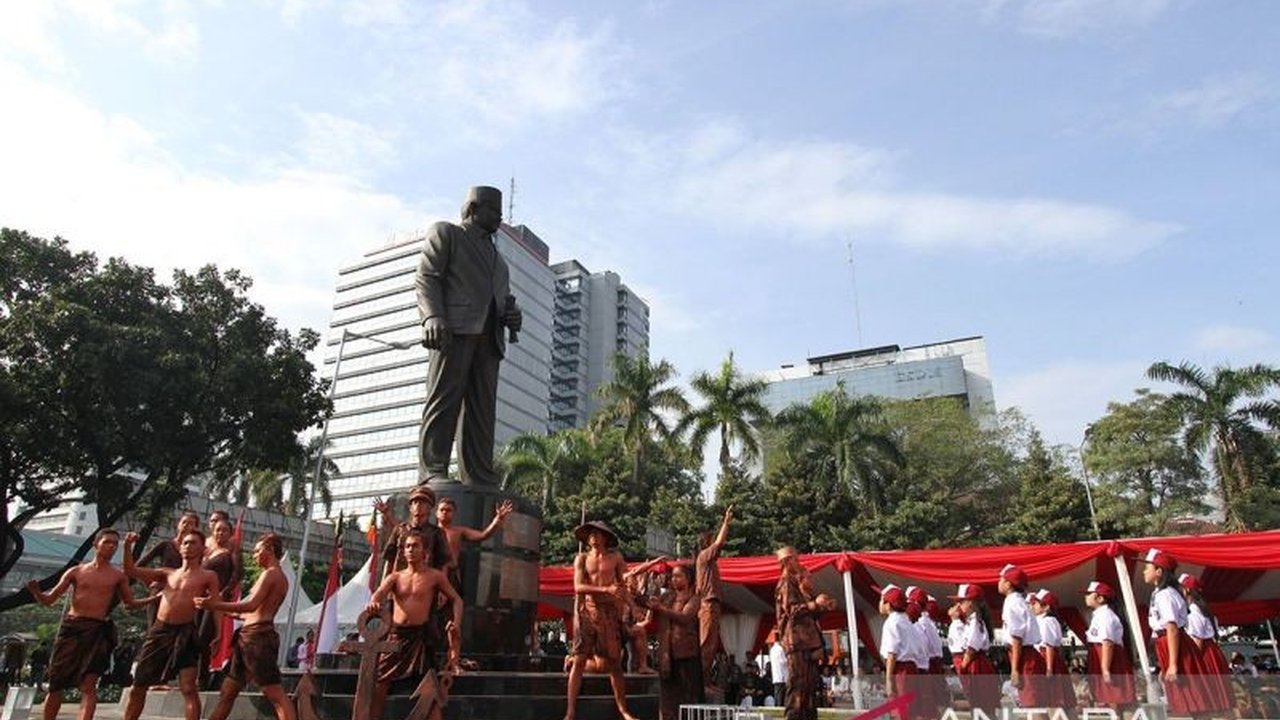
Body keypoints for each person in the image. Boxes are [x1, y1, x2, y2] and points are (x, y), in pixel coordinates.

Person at [416, 184, 523, 487]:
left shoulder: (499, 262)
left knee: (481, 412)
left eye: (501, 214)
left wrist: (512, 317)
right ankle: (432, 470)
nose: (500, 219)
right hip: (453, 330)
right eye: (494, 211)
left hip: (490, 340)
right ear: (474, 208)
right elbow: (427, 277)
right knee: (444, 400)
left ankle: (478, 475)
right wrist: (432, 316)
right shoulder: (447, 233)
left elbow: (501, 301)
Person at [26, 529, 149, 720]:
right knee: (57, 683)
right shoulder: (76, 571)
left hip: (97, 631)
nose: (111, 546)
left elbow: (130, 604)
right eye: (107, 542)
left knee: (88, 685)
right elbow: (50, 600)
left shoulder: (118, 576)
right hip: (72, 629)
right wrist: (37, 593)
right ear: (95, 544)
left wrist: (155, 598)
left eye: (115, 544)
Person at [194, 533, 296, 720]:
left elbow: (251, 606)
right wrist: (226, 611)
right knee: (228, 692)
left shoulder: (271, 574)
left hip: (258, 639)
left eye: (257, 551)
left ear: (270, 550)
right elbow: (250, 612)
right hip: (249, 638)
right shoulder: (276, 576)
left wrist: (214, 604)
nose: (254, 555)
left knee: (275, 693)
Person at [123, 528, 221, 720]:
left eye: (193, 543)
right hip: (160, 630)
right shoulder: (167, 573)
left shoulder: (208, 576)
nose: (188, 546)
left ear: (203, 549)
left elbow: (216, 605)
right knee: (139, 685)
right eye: (185, 543)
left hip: (186, 632)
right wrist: (128, 546)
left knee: (188, 688)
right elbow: (131, 570)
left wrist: (217, 633)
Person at [366, 530, 463, 720]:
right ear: (403, 551)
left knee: (431, 688)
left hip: (421, 638)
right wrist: (374, 603)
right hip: (395, 637)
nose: (411, 550)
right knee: (380, 684)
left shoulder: (435, 576)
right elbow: (378, 594)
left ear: (425, 551)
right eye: (407, 546)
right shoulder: (395, 577)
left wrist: (456, 623)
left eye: (415, 546)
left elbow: (457, 599)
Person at [564, 521, 639, 720]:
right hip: (588, 611)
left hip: (610, 613)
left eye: (597, 534)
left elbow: (624, 585)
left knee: (614, 664)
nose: (593, 538)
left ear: (605, 537)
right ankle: (570, 711)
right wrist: (606, 589)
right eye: (590, 535)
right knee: (580, 660)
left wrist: (633, 606)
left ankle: (624, 710)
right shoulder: (581, 559)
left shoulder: (615, 558)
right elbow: (578, 587)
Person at [1142, 548, 1228, 719]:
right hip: (1168, 644)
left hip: (1175, 645)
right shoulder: (1159, 593)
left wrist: (1173, 664)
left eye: (1148, 567)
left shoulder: (1166, 594)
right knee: (1188, 700)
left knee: (1194, 699)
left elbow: (1172, 628)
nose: (1144, 571)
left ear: (1159, 571)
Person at [775, 546, 837, 720]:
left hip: (804, 643)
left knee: (808, 688)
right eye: (795, 559)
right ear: (786, 561)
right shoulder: (786, 582)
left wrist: (821, 608)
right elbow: (792, 611)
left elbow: (806, 616)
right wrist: (814, 604)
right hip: (796, 642)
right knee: (798, 686)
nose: (798, 562)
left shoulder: (792, 584)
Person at [647, 563, 703, 720]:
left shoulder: (694, 598)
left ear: (688, 579)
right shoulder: (666, 597)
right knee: (667, 698)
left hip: (686, 654)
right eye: (673, 576)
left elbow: (685, 617)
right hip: (666, 654)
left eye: (678, 576)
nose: (674, 579)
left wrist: (660, 608)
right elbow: (648, 603)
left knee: (688, 697)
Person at [1179, 573, 1235, 711]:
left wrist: (1192, 663)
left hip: (1204, 654)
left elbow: (1197, 640)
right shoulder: (1205, 610)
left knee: (1209, 698)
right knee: (1220, 698)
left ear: (1186, 590)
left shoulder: (1194, 612)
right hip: (1213, 652)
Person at [435, 496, 514, 593]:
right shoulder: (430, 531)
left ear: (453, 513)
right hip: (431, 574)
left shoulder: (459, 531)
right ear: (436, 512)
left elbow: (483, 535)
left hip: (451, 576)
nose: (444, 512)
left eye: (448, 510)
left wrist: (496, 520)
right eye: (442, 509)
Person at [1081, 580, 1136, 711]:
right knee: (1108, 699)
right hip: (1102, 657)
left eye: (1089, 594)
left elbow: (1107, 643)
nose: (1086, 597)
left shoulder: (1106, 615)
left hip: (1110, 660)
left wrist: (1105, 668)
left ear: (1100, 598)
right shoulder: (1099, 615)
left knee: (1116, 699)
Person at [997, 563, 1046, 710]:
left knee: (1033, 706)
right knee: (1031, 704)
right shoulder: (1016, 601)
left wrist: (1015, 670)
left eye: (1000, 580)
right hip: (1025, 655)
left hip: (1025, 656)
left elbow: (1016, 638)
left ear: (1008, 584)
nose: (998, 583)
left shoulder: (1013, 602)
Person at [199, 516, 242, 684]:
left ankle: (202, 677)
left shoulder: (232, 550)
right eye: (217, 529)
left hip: (216, 598)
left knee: (205, 637)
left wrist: (226, 591)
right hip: (199, 597)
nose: (220, 533)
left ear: (230, 533)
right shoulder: (206, 550)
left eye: (224, 530)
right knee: (192, 635)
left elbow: (238, 572)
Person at [949, 583, 1000, 717]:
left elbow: (972, 647)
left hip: (975, 664)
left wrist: (963, 666)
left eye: (961, 601)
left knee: (980, 705)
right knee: (980, 705)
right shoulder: (972, 621)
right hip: (977, 663)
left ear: (970, 603)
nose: (959, 605)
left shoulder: (975, 622)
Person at [378, 487, 450, 579]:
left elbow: (443, 564)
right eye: (415, 502)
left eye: (422, 502)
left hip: (425, 585)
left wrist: (441, 589)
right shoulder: (400, 530)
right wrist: (385, 586)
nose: (418, 505)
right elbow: (390, 561)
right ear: (410, 508)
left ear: (429, 508)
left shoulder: (436, 533)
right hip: (401, 583)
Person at [696, 505, 732, 681]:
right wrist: (726, 523)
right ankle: (702, 681)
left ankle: (705, 679)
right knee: (707, 645)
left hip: (712, 604)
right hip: (708, 604)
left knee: (711, 644)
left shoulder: (708, 562)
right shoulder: (704, 556)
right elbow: (720, 543)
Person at [879, 584, 927, 720]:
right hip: (911, 667)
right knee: (910, 710)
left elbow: (892, 653)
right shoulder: (906, 621)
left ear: (888, 605)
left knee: (901, 710)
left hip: (901, 669)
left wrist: (888, 679)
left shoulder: (892, 622)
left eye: (882, 600)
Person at [1029, 589, 1075, 715]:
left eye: (1036, 603)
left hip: (1048, 660)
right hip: (1048, 659)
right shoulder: (1042, 620)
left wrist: (1049, 669)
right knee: (1056, 701)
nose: (1033, 605)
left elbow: (1049, 645)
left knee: (1055, 700)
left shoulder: (1047, 621)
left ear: (1046, 607)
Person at [769, 634, 789, 705]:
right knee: (781, 695)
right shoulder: (780, 649)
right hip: (782, 676)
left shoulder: (772, 649)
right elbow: (783, 661)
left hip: (776, 675)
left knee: (777, 694)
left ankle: (777, 706)